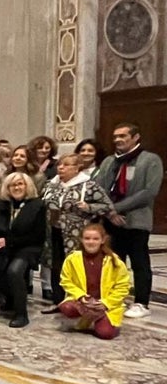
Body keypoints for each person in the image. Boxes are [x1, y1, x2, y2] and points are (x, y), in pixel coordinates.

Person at [92, 122, 162, 319]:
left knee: (139, 262)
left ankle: (141, 302)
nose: (118, 140)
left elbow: (148, 192)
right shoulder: (108, 162)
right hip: (110, 222)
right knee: (114, 262)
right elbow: (99, 189)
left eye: (123, 136)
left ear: (135, 137)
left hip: (136, 220)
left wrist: (116, 209)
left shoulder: (150, 160)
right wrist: (108, 212)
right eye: (115, 137)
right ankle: (117, 298)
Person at [41, 154, 114, 303]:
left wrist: (89, 207)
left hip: (76, 233)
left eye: (66, 165)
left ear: (77, 168)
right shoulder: (51, 184)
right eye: (59, 165)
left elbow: (107, 206)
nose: (61, 168)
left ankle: (79, 300)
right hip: (53, 231)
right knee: (56, 265)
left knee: (76, 265)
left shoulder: (89, 186)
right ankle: (58, 300)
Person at [0, 173, 47, 328]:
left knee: (14, 270)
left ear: (27, 186)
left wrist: (8, 241)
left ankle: (21, 314)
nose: (17, 188)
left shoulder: (37, 205)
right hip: (4, 246)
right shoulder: (0, 204)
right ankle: (8, 299)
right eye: (13, 185)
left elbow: (37, 235)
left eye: (20, 184)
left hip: (27, 247)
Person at [56, 223, 131, 340]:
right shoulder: (72, 259)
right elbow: (66, 281)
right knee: (67, 307)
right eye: (87, 238)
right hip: (84, 302)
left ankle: (102, 320)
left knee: (105, 334)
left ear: (103, 240)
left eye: (95, 239)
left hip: (106, 304)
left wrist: (106, 303)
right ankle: (88, 317)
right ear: (81, 240)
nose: (91, 242)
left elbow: (123, 286)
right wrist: (80, 296)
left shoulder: (114, 261)